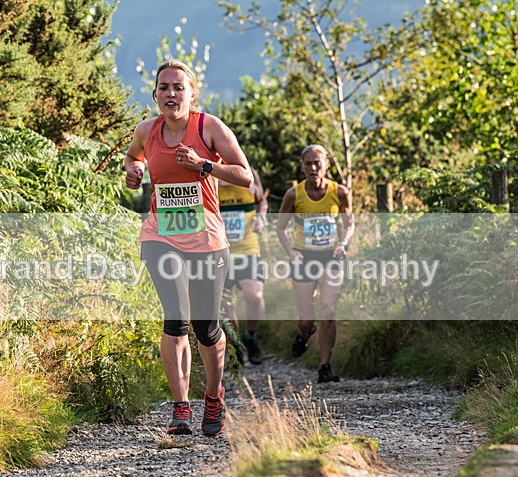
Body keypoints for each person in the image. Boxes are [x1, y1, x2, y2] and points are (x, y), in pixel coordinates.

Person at [124, 60, 252, 436]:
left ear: (192, 94)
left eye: (178, 87)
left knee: (205, 326)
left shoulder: (208, 127)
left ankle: (213, 395)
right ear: (155, 95)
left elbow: (244, 176)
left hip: (207, 239)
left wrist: (204, 166)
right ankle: (180, 408)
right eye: (163, 87)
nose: (171, 94)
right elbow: (134, 157)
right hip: (160, 236)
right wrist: (132, 172)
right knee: (176, 318)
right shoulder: (146, 130)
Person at [275, 144, 354, 384]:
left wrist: (344, 243)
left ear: (326, 165)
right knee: (306, 320)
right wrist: (290, 252)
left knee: (328, 311)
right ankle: (304, 334)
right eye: (308, 163)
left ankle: (324, 367)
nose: (313, 167)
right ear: (302, 166)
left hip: (331, 256)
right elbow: (280, 228)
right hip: (303, 257)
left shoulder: (339, 192)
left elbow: (349, 223)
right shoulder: (294, 195)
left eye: (317, 163)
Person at [219, 168, 268, 365]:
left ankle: (251, 336)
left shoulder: (249, 173)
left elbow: (261, 201)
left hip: (248, 248)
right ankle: (236, 345)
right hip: (220, 251)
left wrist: (260, 217)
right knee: (227, 309)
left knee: (255, 296)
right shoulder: (210, 173)